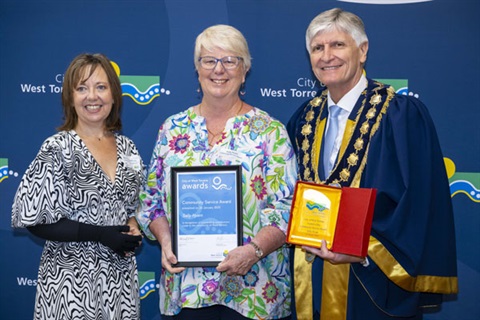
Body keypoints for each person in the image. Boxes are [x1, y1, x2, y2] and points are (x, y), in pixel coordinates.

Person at [286, 8, 458, 320]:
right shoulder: (303, 119)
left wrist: (362, 250)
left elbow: (419, 205)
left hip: (372, 283)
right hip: (310, 280)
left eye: (338, 45)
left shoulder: (401, 116)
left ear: (362, 50)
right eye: (317, 48)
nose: (327, 56)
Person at [136, 24, 297, 320]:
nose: (218, 70)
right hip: (186, 288)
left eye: (230, 60)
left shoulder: (270, 132)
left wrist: (254, 251)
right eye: (209, 60)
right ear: (197, 69)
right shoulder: (173, 129)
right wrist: (167, 241)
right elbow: (150, 201)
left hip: (256, 292)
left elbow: (287, 208)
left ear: (245, 68)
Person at [11, 53, 145, 319]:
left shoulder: (128, 147)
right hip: (71, 285)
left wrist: (132, 223)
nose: (92, 96)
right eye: (82, 88)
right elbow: (34, 220)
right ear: (70, 98)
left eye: (101, 87)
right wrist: (101, 234)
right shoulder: (57, 148)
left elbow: (130, 206)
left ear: (114, 94)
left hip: (119, 283)